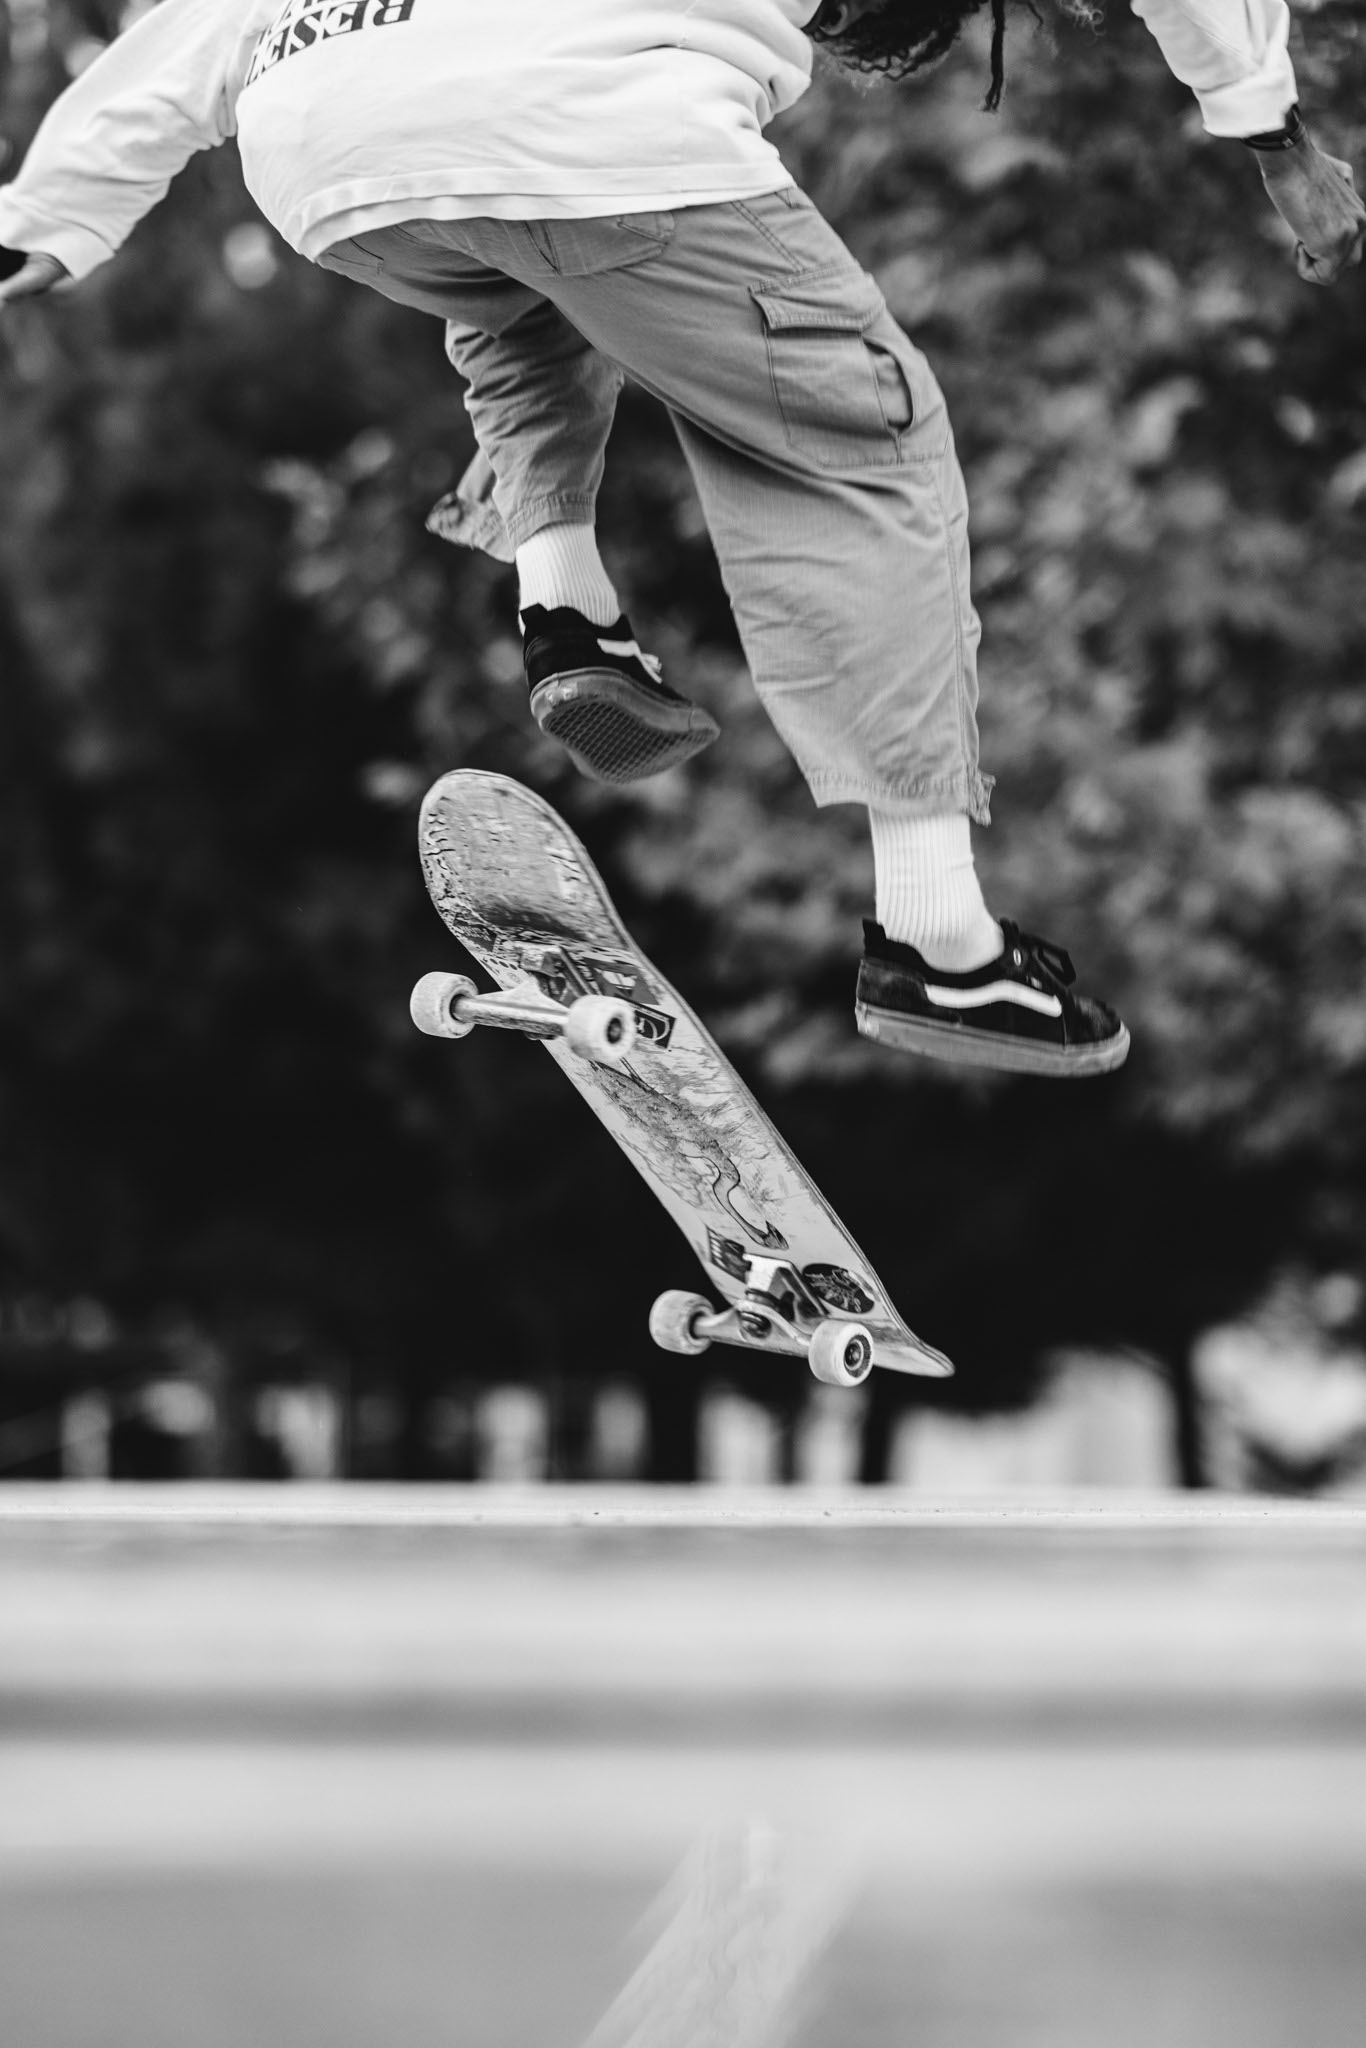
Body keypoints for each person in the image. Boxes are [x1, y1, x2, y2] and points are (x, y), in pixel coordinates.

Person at [0, 1, 1361, 1078]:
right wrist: (1269, 130)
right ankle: (939, 938)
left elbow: (194, 23)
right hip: (600, 119)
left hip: (330, 155)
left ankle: (565, 609)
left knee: (526, 296)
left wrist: (48, 216)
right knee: (859, 440)